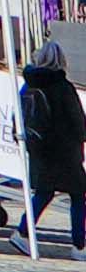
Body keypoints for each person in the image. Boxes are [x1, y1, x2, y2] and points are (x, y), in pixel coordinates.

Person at [26, 37, 82, 246]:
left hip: (40, 150)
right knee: (77, 195)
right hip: (65, 152)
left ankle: (23, 231)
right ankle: (79, 244)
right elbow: (77, 120)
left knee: (44, 192)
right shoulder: (63, 87)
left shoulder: (28, 85)